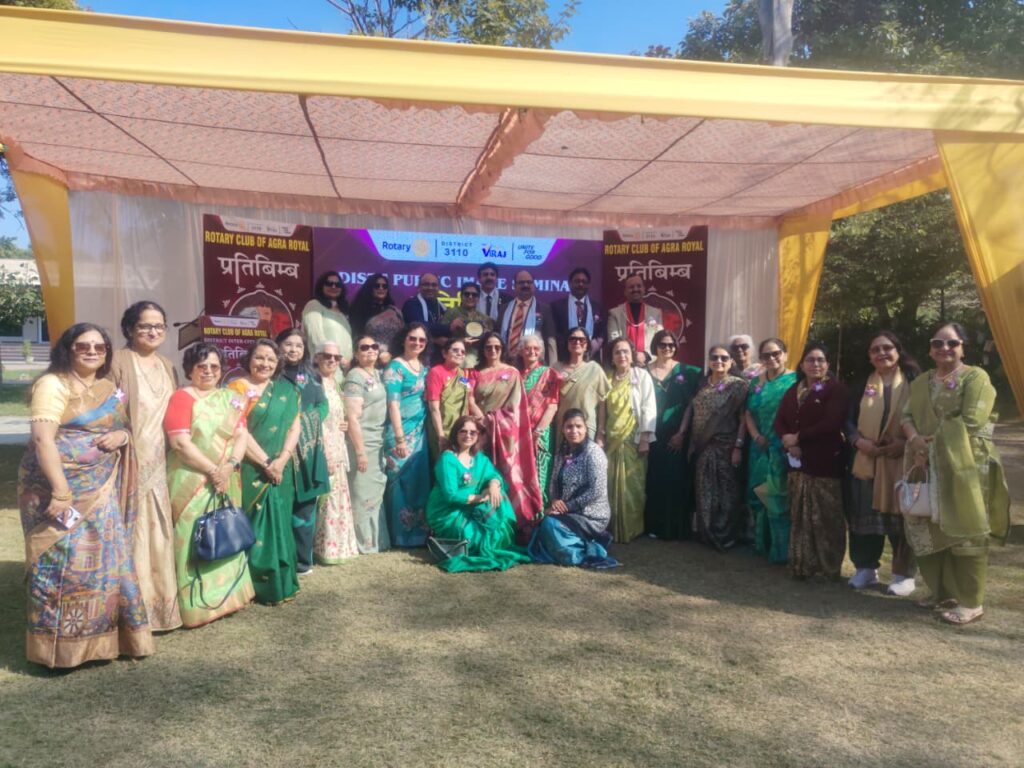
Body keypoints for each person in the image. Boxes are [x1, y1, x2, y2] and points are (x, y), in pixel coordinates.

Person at [20, 323, 154, 668]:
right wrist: (61, 491)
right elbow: (43, 440)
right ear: (68, 349)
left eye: (99, 347)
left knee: (104, 563)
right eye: (83, 346)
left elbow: (123, 427)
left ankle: (102, 641)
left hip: (102, 488)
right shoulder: (53, 384)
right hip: (59, 490)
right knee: (60, 562)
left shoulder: (110, 388)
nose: (92, 352)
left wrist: (122, 437)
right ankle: (58, 648)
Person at [901, 323, 1010, 625]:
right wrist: (914, 440)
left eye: (952, 343)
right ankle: (941, 592)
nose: (944, 348)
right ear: (930, 349)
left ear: (963, 347)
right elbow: (906, 416)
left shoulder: (976, 377)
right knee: (927, 527)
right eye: (937, 343)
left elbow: (973, 420)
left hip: (965, 464)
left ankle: (971, 602)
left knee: (966, 530)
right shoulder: (921, 382)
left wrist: (928, 445)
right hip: (925, 463)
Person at [165, 343, 254, 627]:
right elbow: (180, 443)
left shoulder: (231, 397)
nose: (208, 371)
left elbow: (241, 435)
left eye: (214, 366)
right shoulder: (182, 398)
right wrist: (213, 470)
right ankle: (196, 605)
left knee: (226, 529)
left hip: (226, 477)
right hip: (192, 478)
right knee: (192, 535)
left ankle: (231, 596)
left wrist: (229, 466)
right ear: (190, 369)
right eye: (201, 366)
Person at [110, 300, 181, 631]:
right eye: (145, 326)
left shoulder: (167, 365)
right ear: (129, 329)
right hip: (129, 461)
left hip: (160, 462)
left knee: (159, 531)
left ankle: (163, 609)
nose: (153, 331)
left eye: (159, 326)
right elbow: (106, 410)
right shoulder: (118, 362)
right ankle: (133, 612)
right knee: (133, 530)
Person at [227, 339, 301, 604]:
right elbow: (239, 431)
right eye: (259, 357)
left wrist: (283, 459)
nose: (265, 364)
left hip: (282, 468)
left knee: (280, 522)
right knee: (255, 525)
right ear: (249, 359)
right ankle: (255, 585)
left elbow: (294, 426)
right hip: (251, 468)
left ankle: (284, 580)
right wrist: (267, 463)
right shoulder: (236, 388)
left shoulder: (286, 390)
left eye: (271, 359)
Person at [845, 331, 919, 594]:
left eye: (887, 348)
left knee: (903, 519)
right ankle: (865, 569)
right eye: (875, 349)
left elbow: (925, 419)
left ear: (898, 351)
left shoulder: (915, 382)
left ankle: (903, 574)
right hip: (867, 461)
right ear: (869, 356)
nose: (881, 353)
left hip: (903, 461)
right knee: (864, 515)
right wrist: (857, 441)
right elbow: (847, 419)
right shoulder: (861, 385)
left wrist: (905, 443)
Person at [774, 342, 850, 580]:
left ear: (827, 364)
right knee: (799, 515)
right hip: (797, 463)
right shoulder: (794, 389)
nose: (815, 364)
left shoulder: (836, 390)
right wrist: (789, 441)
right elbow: (780, 420)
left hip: (824, 463)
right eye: (810, 360)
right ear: (802, 364)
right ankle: (802, 564)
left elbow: (831, 422)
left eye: (820, 360)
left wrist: (799, 437)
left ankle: (827, 568)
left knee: (826, 517)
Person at [424, 415, 532, 573]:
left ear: (477, 436)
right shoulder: (448, 459)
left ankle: (500, 543)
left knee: (500, 496)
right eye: (463, 431)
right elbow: (451, 495)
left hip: (472, 508)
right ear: (455, 433)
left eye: (472, 432)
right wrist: (481, 497)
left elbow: (494, 475)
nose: (468, 435)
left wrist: (493, 485)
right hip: (449, 512)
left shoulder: (478, 457)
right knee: (472, 536)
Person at [529, 409, 619, 569]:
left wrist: (567, 507)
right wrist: (555, 501)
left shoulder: (594, 453)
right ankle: (578, 544)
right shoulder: (562, 452)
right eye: (569, 427)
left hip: (591, 515)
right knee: (542, 523)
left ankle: (586, 550)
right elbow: (553, 481)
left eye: (578, 426)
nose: (574, 431)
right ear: (563, 429)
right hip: (568, 511)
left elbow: (596, 490)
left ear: (586, 428)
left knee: (550, 525)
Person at [474, 331, 543, 539]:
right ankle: (483, 526)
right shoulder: (475, 373)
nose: (493, 350)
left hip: (505, 435)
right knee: (480, 476)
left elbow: (516, 407)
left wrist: (494, 420)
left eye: (497, 347)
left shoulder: (512, 373)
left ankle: (511, 525)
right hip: (479, 433)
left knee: (508, 477)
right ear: (482, 350)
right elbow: (470, 401)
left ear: (502, 349)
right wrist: (482, 422)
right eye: (488, 347)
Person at [276, 328, 330, 574]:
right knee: (281, 503)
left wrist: (306, 421)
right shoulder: (272, 375)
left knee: (306, 506)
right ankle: (281, 558)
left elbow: (322, 404)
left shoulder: (312, 375)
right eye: (288, 344)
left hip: (308, 450)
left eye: (299, 345)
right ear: (279, 346)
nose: (293, 349)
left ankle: (302, 561)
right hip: (280, 449)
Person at [684, 345, 749, 551]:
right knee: (704, 490)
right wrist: (689, 440)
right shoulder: (702, 384)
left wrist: (738, 446)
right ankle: (707, 532)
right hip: (702, 446)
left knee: (726, 492)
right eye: (714, 357)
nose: (718, 361)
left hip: (726, 446)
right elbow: (693, 412)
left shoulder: (738, 386)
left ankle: (725, 535)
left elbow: (743, 419)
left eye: (724, 358)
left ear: (731, 361)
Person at [744, 338, 797, 563]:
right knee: (758, 494)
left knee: (778, 498)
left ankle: (781, 551)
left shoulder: (795, 380)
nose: (772, 358)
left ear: (785, 354)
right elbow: (748, 412)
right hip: (759, 447)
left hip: (783, 448)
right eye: (766, 355)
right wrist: (755, 435)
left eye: (776, 353)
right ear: (761, 358)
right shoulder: (756, 382)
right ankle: (761, 544)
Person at [645, 330, 701, 540]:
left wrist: (682, 433)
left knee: (675, 479)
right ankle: (654, 526)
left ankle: (675, 529)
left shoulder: (688, 371)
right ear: (655, 346)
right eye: (662, 344)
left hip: (676, 434)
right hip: (651, 434)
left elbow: (691, 404)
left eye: (671, 345)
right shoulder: (643, 371)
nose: (667, 348)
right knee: (654, 479)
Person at [382, 324, 431, 547]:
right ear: (403, 339)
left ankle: (418, 535)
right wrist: (400, 438)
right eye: (413, 338)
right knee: (399, 482)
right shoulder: (395, 367)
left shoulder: (424, 368)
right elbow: (392, 404)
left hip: (419, 432)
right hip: (400, 433)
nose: (417, 343)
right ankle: (399, 535)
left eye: (422, 340)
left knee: (417, 481)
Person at [605, 337, 657, 544]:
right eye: (617, 352)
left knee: (633, 485)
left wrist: (645, 438)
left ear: (632, 355)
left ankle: (632, 529)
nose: (622, 355)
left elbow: (648, 406)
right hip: (611, 439)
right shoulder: (607, 378)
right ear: (612, 357)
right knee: (610, 484)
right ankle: (612, 527)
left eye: (625, 351)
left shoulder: (641, 376)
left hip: (633, 438)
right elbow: (602, 409)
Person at [312, 341, 359, 564]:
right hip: (322, 447)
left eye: (336, 357)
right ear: (317, 358)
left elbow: (338, 413)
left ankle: (337, 548)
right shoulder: (314, 383)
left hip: (338, 446)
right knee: (325, 500)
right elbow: (313, 419)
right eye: (327, 356)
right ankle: (321, 548)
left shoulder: (336, 383)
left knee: (336, 498)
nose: (332, 360)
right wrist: (323, 452)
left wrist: (344, 423)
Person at [344, 334, 390, 553]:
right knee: (361, 491)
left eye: (374, 346)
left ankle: (377, 540)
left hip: (378, 440)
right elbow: (352, 417)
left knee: (375, 491)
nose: (370, 350)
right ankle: (363, 543)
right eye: (364, 347)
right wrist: (360, 452)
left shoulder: (378, 374)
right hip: (362, 441)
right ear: (356, 353)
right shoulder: (355, 376)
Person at [425, 338, 483, 465]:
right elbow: (434, 408)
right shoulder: (436, 372)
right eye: (455, 350)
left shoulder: (463, 375)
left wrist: (482, 419)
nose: (459, 354)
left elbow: (470, 400)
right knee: (443, 464)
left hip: (460, 429)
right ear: (444, 353)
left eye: (462, 352)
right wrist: (441, 436)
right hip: (442, 428)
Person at [553, 327, 609, 451]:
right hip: (563, 427)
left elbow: (602, 404)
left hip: (586, 425)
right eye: (573, 339)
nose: (577, 342)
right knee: (563, 460)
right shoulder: (556, 369)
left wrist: (601, 434)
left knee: (585, 460)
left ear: (587, 345)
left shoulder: (594, 369)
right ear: (567, 343)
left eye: (581, 340)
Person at [521, 334, 561, 507]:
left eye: (536, 348)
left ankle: (540, 513)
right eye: (527, 348)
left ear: (541, 352)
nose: (532, 351)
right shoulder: (516, 375)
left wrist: (537, 432)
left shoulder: (548, 373)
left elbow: (552, 406)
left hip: (540, 433)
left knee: (539, 475)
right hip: (520, 434)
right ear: (521, 351)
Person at [547, 267, 606, 363]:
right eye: (577, 281)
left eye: (584, 282)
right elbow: (554, 333)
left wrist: (592, 346)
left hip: (591, 359)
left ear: (588, 284)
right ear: (570, 283)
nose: (580, 284)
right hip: (565, 359)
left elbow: (602, 333)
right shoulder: (556, 306)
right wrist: (573, 347)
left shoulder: (598, 307)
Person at [497, 270, 554, 361]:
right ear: (514, 286)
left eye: (529, 282)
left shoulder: (544, 309)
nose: (525, 285)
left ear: (534, 285)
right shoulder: (504, 308)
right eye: (521, 282)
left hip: (532, 360)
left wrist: (552, 364)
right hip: (506, 360)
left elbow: (550, 340)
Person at [607, 275, 663, 366]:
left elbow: (659, 340)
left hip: (649, 364)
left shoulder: (655, 313)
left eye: (638, 286)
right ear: (625, 292)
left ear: (644, 289)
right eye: (631, 287)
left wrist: (646, 355)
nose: (635, 289)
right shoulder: (614, 314)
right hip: (623, 364)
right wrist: (631, 356)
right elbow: (613, 341)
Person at [347, 273, 404, 362]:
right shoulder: (359, 309)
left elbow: (402, 335)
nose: (381, 288)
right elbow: (357, 336)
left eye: (384, 286)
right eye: (377, 286)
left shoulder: (393, 310)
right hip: (370, 356)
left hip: (394, 356)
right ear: (370, 288)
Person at [302, 271, 353, 370]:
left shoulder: (343, 311)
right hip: (325, 366)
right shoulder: (314, 305)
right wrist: (338, 359)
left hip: (345, 368)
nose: (333, 287)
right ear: (321, 286)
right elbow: (315, 338)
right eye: (329, 284)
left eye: (337, 284)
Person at [441, 281, 493, 368]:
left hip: (477, 363)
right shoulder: (451, 313)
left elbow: (491, 344)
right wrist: (459, 340)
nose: (470, 297)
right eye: (467, 294)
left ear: (478, 298)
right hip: (455, 363)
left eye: (474, 295)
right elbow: (439, 339)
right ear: (461, 296)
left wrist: (486, 337)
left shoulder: (485, 319)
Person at [401, 272, 451, 352]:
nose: (430, 288)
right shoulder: (411, 304)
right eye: (426, 284)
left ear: (438, 288)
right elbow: (420, 326)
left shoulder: (442, 307)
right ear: (419, 287)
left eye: (434, 285)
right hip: (417, 351)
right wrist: (449, 328)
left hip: (439, 353)